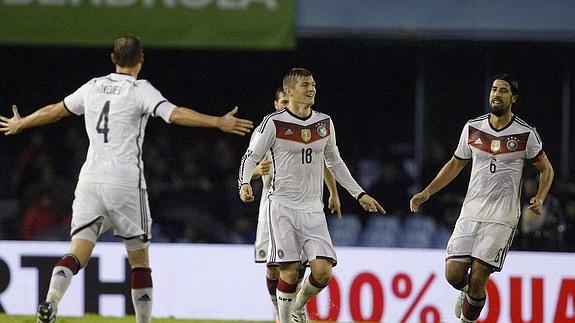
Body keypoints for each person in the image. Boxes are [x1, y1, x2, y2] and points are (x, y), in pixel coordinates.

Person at [0, 35, 253, 323]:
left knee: (77, 253)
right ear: (141, 59)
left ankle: (50, 303)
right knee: (139, 261)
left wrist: (22, 122)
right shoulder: (139, 90)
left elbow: (55, 111)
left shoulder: (93, 86)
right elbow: (175, 114)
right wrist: (217, 121)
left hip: (90, 181)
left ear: (112, 58)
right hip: (125, 182)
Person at [239, 68, 384, 323]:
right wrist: (244, 183)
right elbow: (250, 156)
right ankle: (284, 320)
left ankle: (297, 306)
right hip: (281, 206)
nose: (311, 89)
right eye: (305, 84)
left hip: (312, 208)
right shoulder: (272, 123)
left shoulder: (324, 123)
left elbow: (335, 162)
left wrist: (359, 194)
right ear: (289, 91)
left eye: (313, 84)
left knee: (323, 272)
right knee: (289, 269)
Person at [409, 73, 554, 323]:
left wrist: (540, 197)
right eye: (494, 89)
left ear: (514, 98)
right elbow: (455, 163)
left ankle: (468, 319)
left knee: (479, 275)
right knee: (454, 275)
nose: (496, 94)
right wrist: (427, 191)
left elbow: (547, 169)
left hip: (502, 217)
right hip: (471, 212)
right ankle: (468, 294)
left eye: (503, 90)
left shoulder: (525, 134)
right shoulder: (473, 128)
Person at [250, 86, 341, 322]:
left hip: (303, 207)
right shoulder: (268, 128)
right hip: (272, 208)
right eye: (281, 102)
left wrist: (333, 193)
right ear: (276, 103)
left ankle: (290, 314)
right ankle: (281, 315)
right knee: (273, 267)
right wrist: (257, 172)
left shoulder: (306, 129)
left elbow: (323, 161)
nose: (284, 105)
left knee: (294, 266)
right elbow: (248, 165)